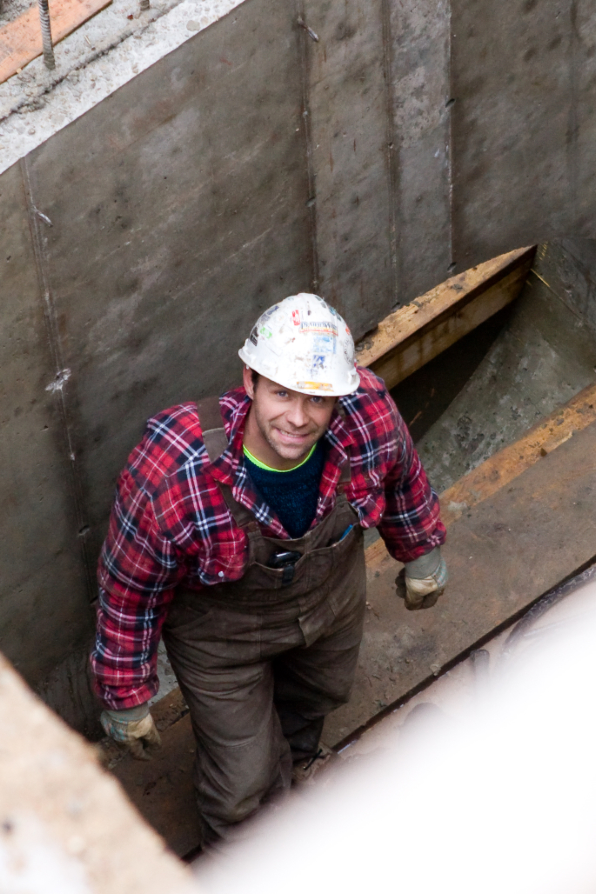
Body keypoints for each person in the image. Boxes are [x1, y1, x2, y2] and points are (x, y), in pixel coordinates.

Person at [91, 294, 448, 844]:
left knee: (320, 698)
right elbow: (129, 588)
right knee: (242, 784)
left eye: (317, 399)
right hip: (223, 642)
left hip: (330, 601)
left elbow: (402, 475)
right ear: (250, 381)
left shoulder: (366, 414)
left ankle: (294, 775)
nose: (298, 419)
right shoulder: (176, 470)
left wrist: (421, 548)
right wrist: (125, 690)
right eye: (282, 393)